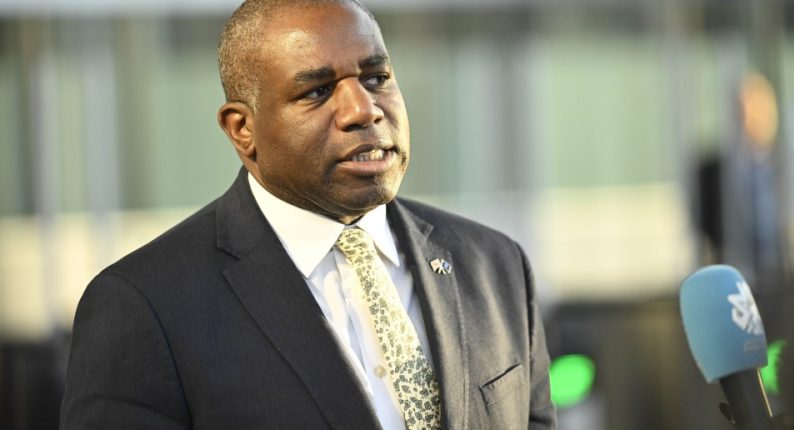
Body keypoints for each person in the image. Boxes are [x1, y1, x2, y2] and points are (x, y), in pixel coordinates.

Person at [59, 0, 555, 429]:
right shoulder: (143, 307)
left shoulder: (496, 266)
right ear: (242, 129)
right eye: (317, 92)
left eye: (376, 78)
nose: (363, 109)